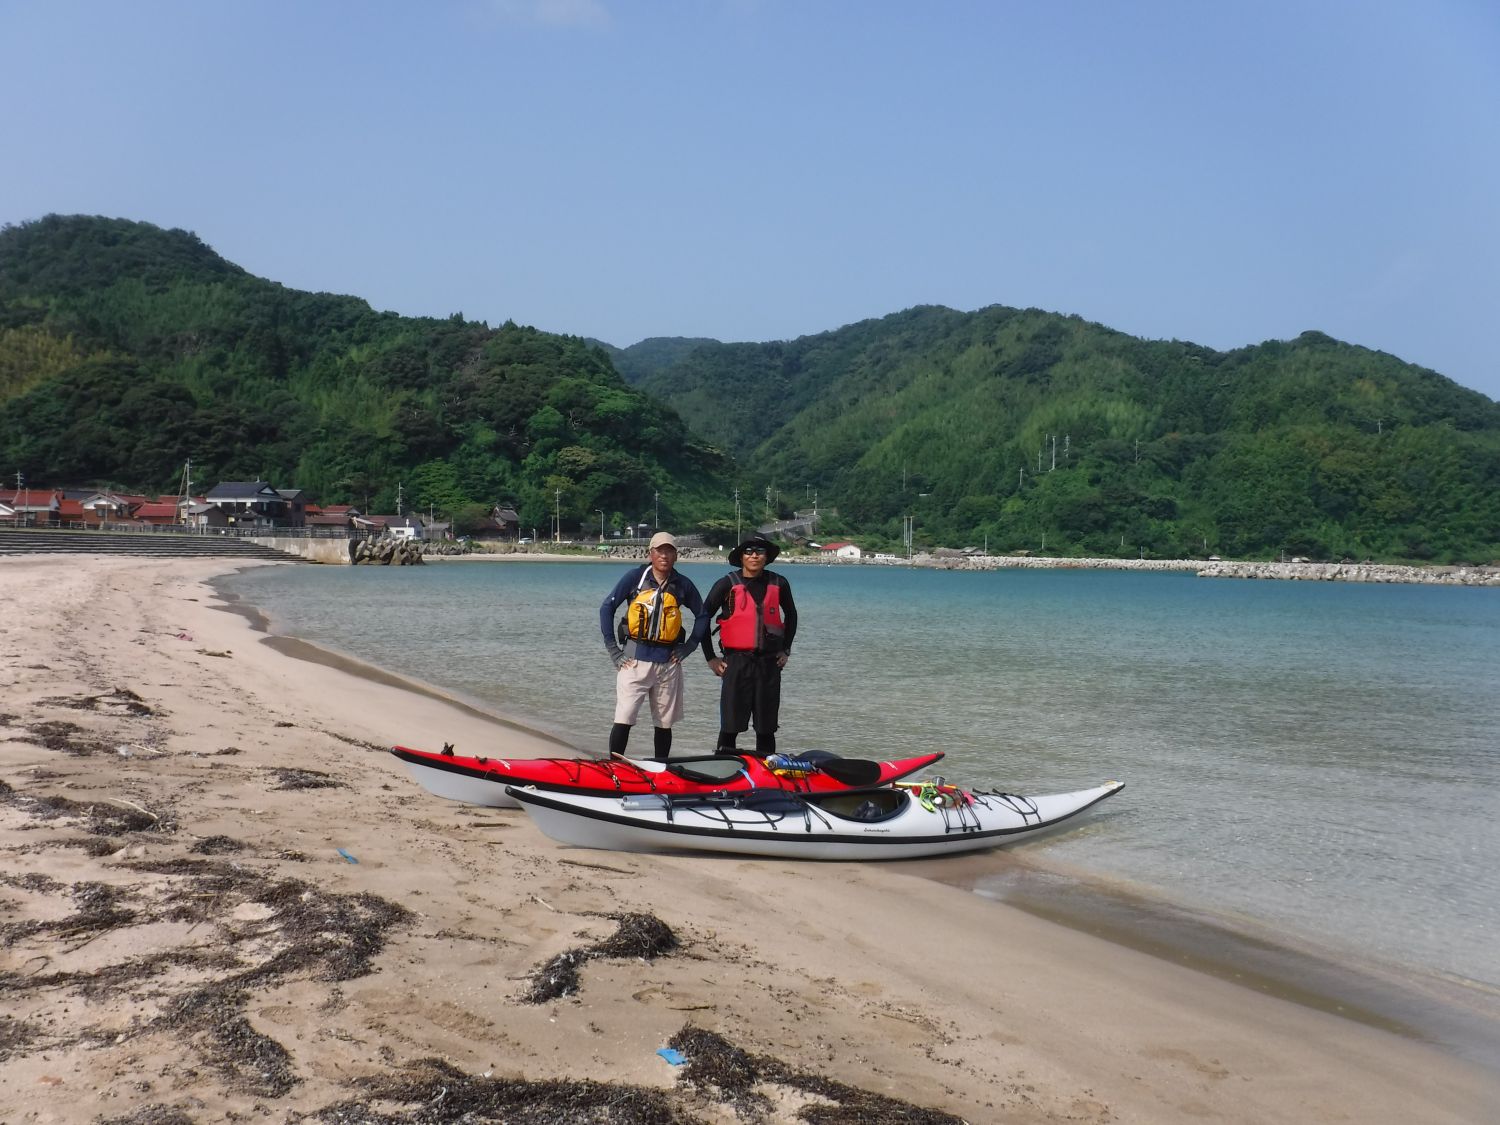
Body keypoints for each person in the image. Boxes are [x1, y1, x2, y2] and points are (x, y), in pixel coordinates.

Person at [599, 531, 707, 760]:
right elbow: (607, 607)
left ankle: (660, 768)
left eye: (669, 551)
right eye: (659, 550)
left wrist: (690, 646)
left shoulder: (682, 584)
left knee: (664, 724)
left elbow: (703, 615)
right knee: (624, 718)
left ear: (676, 556)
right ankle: (614, 767)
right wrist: (613, 650)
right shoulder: (635, 578)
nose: (664, 555)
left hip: (668, 664)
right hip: (633, 662)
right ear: (651, 553)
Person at [700, 534, 797, 756]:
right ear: (741, 556)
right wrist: (710, 657)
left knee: (766, 728)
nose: (754, 556)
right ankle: (724, 767)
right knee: (730, 726)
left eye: (760, 551)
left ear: (766, 557)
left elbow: (792, 615)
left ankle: (767, 769)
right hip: (736, 663)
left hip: (769, 664)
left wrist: (786, 649)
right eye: (749, 551)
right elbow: (703, 618)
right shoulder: (726, 584)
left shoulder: (779, 583)